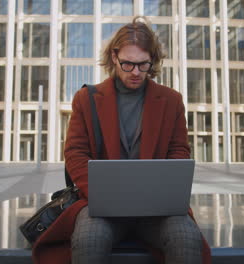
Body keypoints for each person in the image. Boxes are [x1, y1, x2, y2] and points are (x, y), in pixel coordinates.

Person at [31, 16, 211, 264]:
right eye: (128, 64)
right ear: (114, 57)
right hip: (101, 208)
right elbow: (75, 154)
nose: (136, 72)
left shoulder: (171, 100)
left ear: (152, 61)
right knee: (89, 240)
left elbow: (179, 150)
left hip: (157, 209)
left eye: (143, 65)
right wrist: (102, 197)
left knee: (186, 237)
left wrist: (163, 193)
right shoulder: (86, 99)